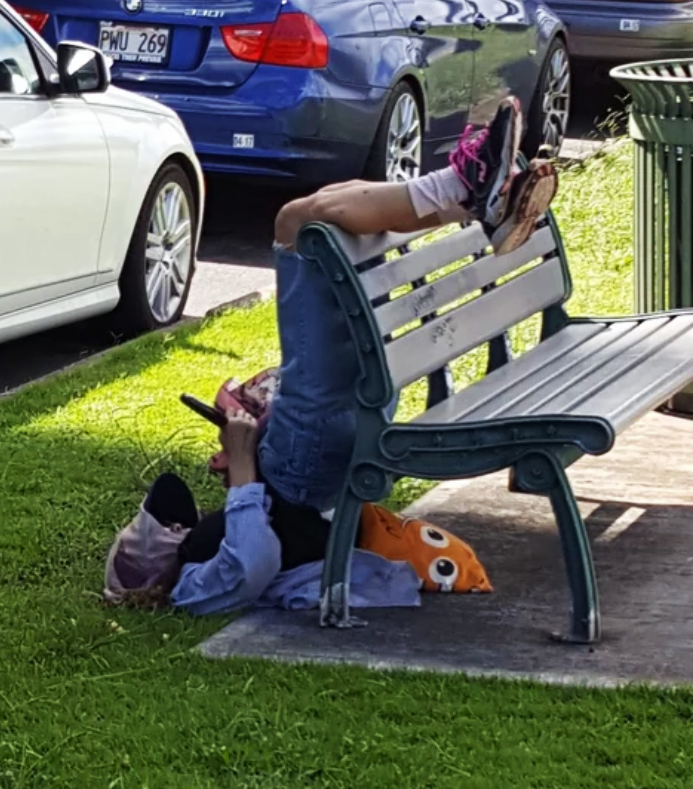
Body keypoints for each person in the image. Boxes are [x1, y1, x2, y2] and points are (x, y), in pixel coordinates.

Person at [106, 98, 557, 615]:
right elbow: (253, 562)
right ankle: (470, 193)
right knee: (296, 225)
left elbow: (256, 531)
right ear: (146, 580)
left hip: (309, 449)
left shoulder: (194, 558)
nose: (170, 529)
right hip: (304, 458)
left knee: (324, 207)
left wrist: (244, 443)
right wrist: (245, 462)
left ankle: (473, 198)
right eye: (158, 537)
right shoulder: (189, 588)